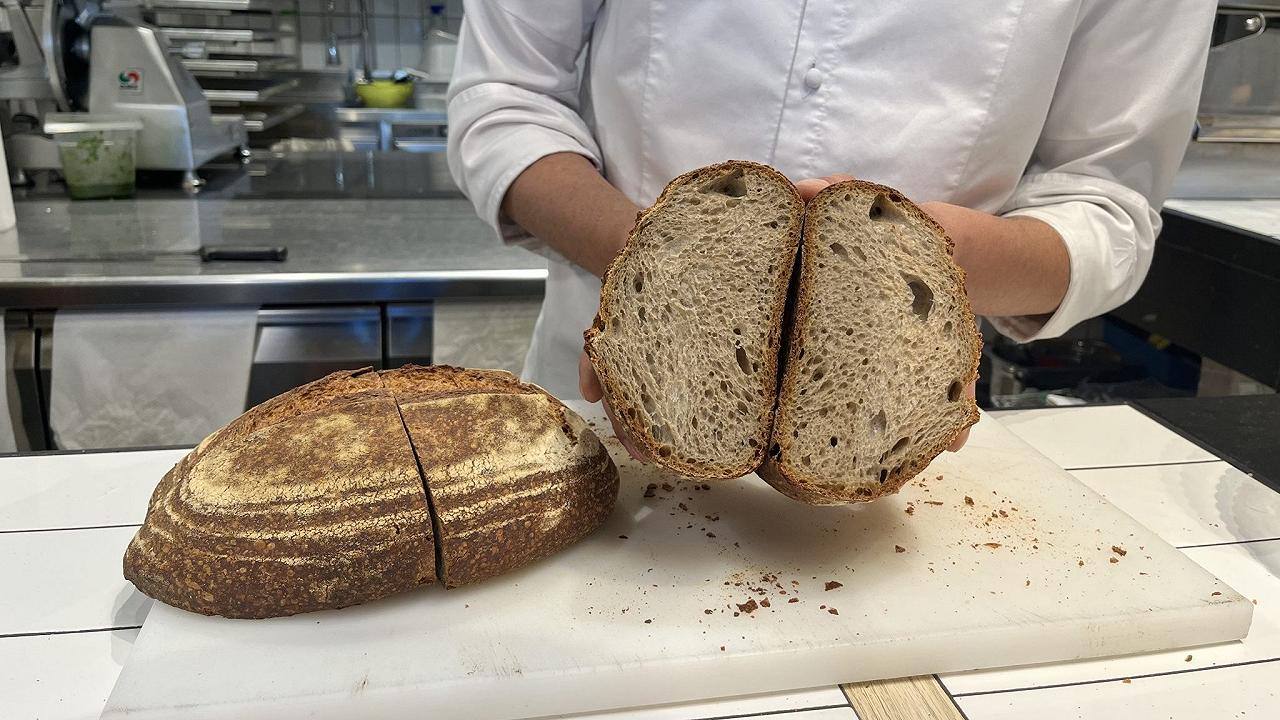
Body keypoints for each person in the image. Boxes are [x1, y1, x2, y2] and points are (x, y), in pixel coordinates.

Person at [446, 1, 1216, 452]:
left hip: (891, 426)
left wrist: (928, 260)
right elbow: (506, 100)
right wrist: (660, 272)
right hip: (608, 398)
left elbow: (1106, 203)